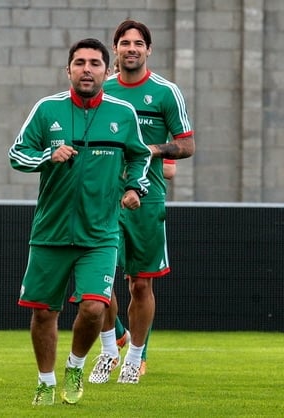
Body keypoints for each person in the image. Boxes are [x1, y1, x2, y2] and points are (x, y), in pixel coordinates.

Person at [8, 38, 151, 406]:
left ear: (108, 70)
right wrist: (47, 155)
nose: (87, 69)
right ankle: (45, 380)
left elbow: (139, 157)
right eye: (79, 63)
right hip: (51, 232)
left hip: (100, 234)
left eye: (95, 63)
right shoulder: (46, 109)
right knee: (44, 313)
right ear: (68, 69)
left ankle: (75, 365)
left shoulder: (122, 114)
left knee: (94, 307)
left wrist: (135, 187)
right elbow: (16, 155)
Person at [87, 19, 195, 385]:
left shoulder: (166, 92)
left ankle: (136, 357)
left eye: (138, 43)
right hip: (105, 198)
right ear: (114, 49)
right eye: (124, 42)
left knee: (140, 285)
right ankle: (115, 340)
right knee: (97, 281)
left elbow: (187, 145)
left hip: (147, 200)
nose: (131, 48)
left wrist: (155, 150)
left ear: (149, 50)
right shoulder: (104, 89)